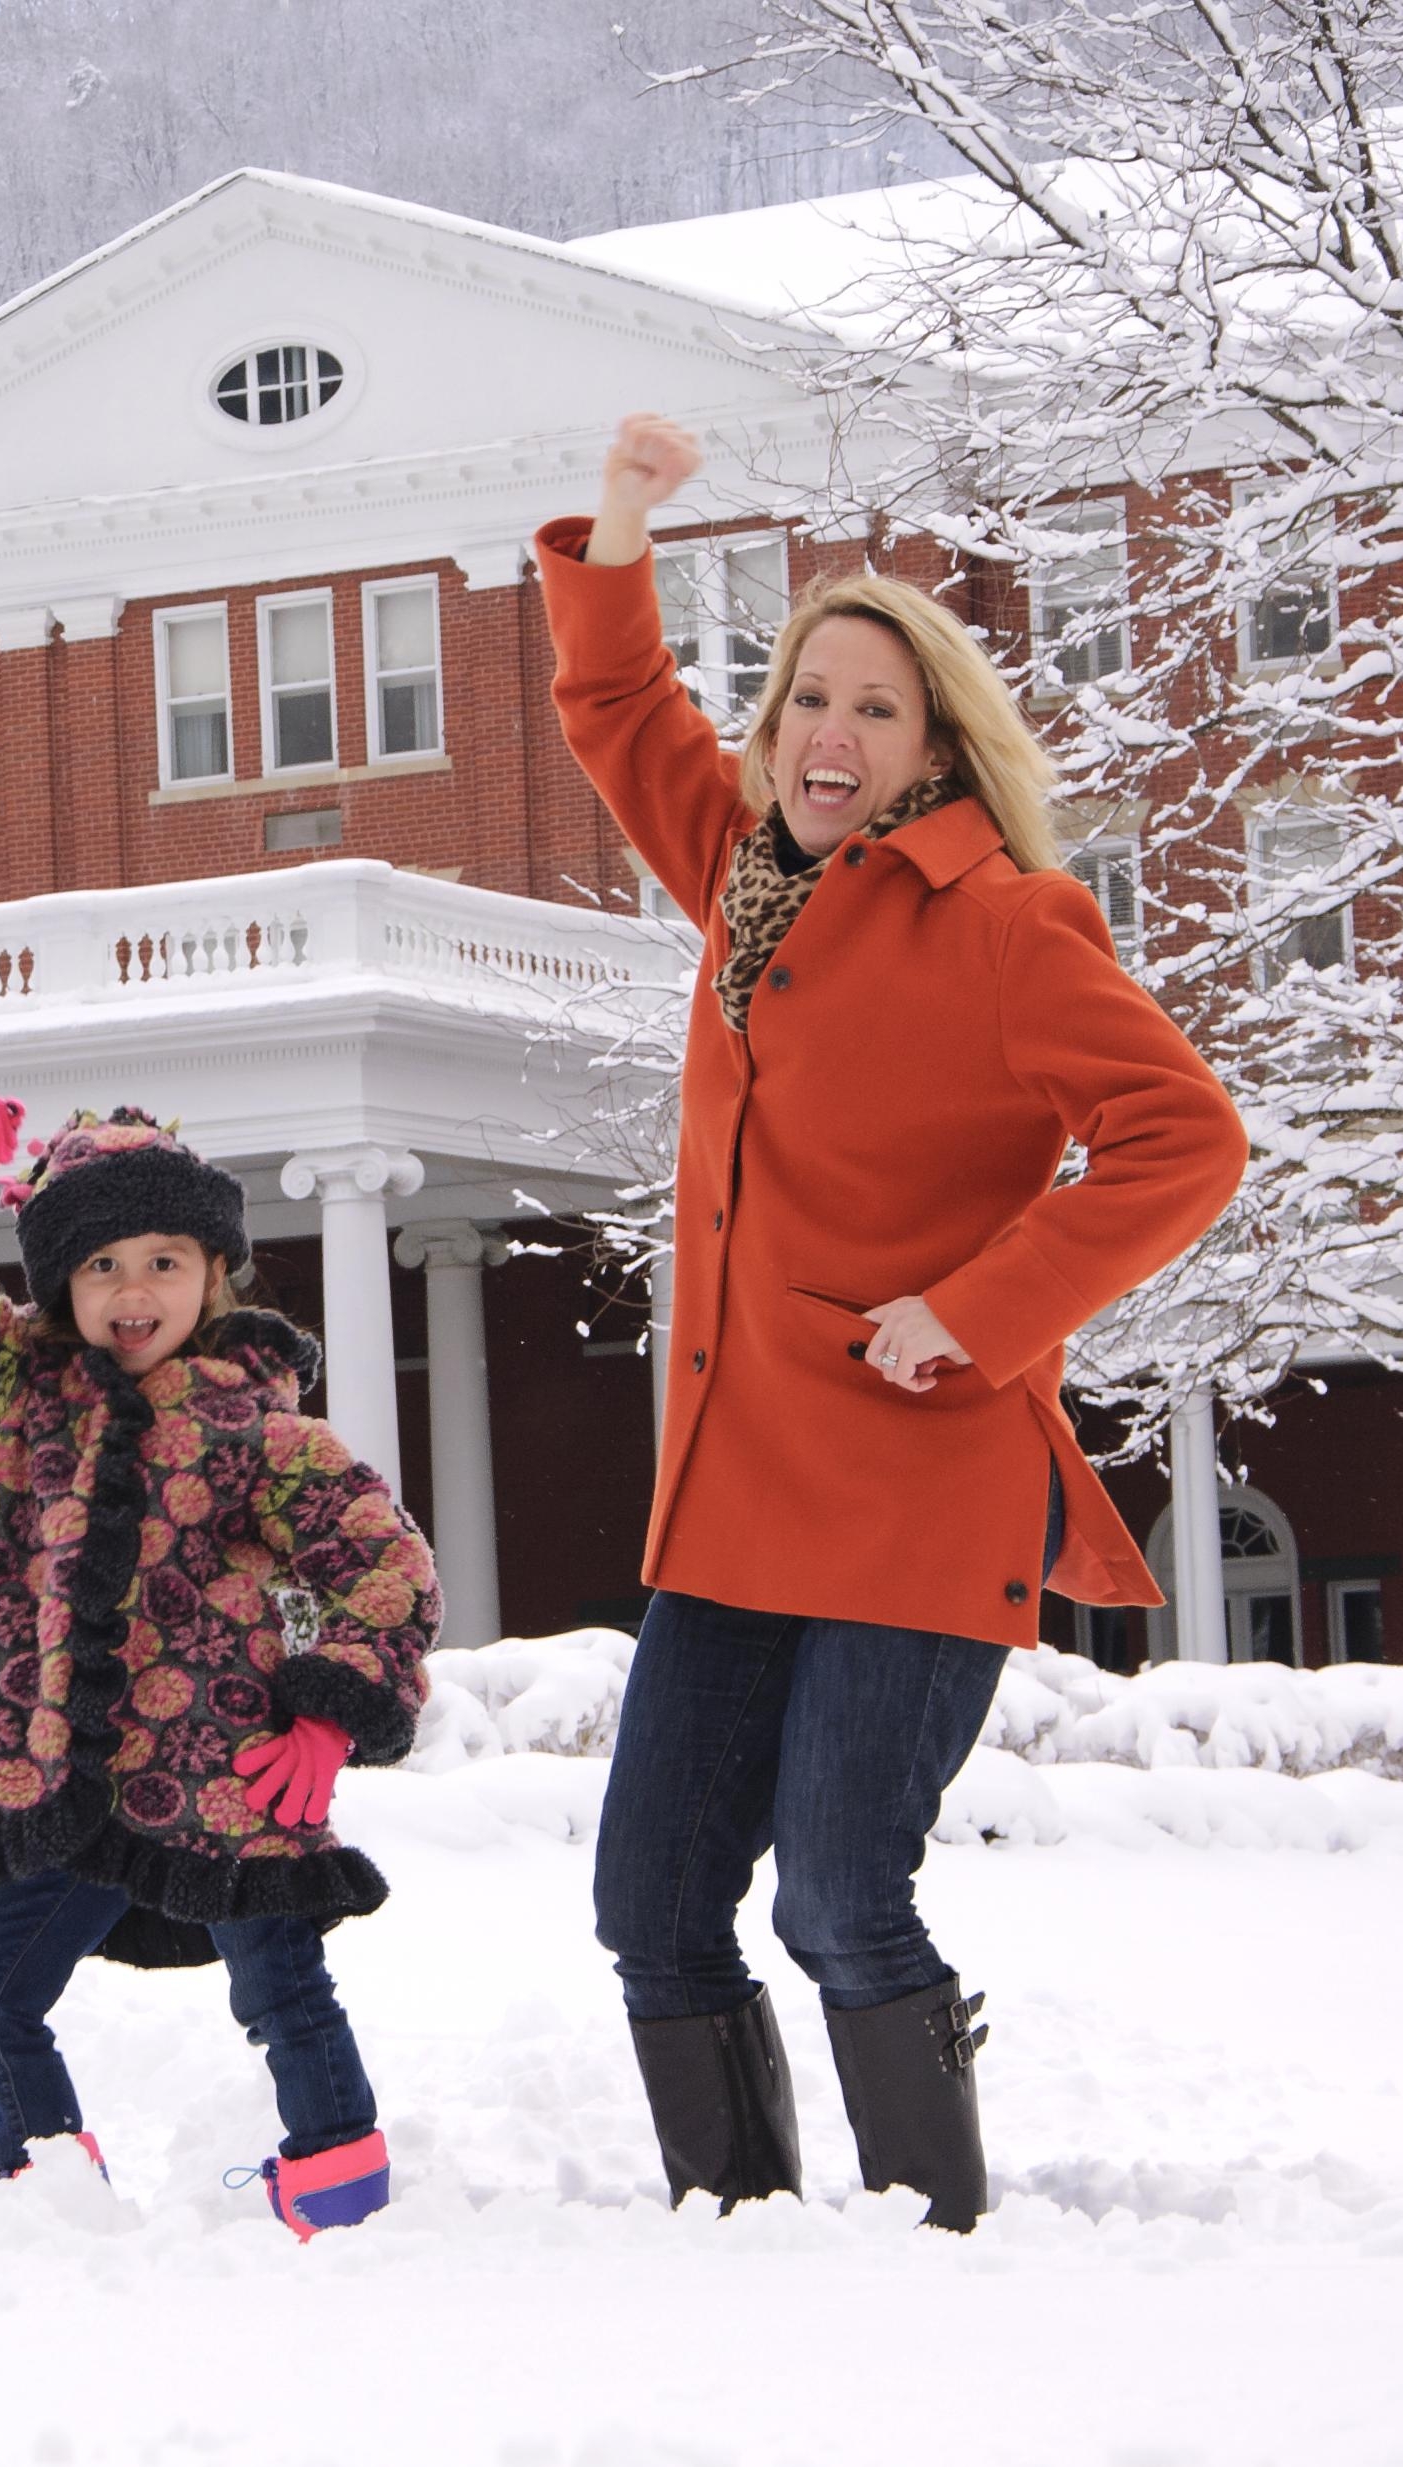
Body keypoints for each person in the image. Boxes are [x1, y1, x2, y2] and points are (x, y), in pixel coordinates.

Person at [543, 416, 1246, 2227]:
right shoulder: (737, 879)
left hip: (918, 1481)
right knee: (651, 1898)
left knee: (844, 1893)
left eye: (873, 710)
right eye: (804, 704)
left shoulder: (1009, 926)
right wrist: (623, 518)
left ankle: (936, 2236)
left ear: (935, 747)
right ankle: (740, 2223)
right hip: (737, 1483)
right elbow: (623, 710)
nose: (827, 739)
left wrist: (985, 1307)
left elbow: (1186, 1138)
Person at [0, 1101, 442, 2238]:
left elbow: (382, 1564)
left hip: (221, 1780)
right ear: (60, 1285)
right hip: (61, 1781)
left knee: (281, 1995)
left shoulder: (257, 1432)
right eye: (100, 1265)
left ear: (212, 1273)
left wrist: (327, 1717)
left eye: (163, 1262)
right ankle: (46, 2193)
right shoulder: (13, 1402)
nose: (132, 1291)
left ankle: (341, 2191)